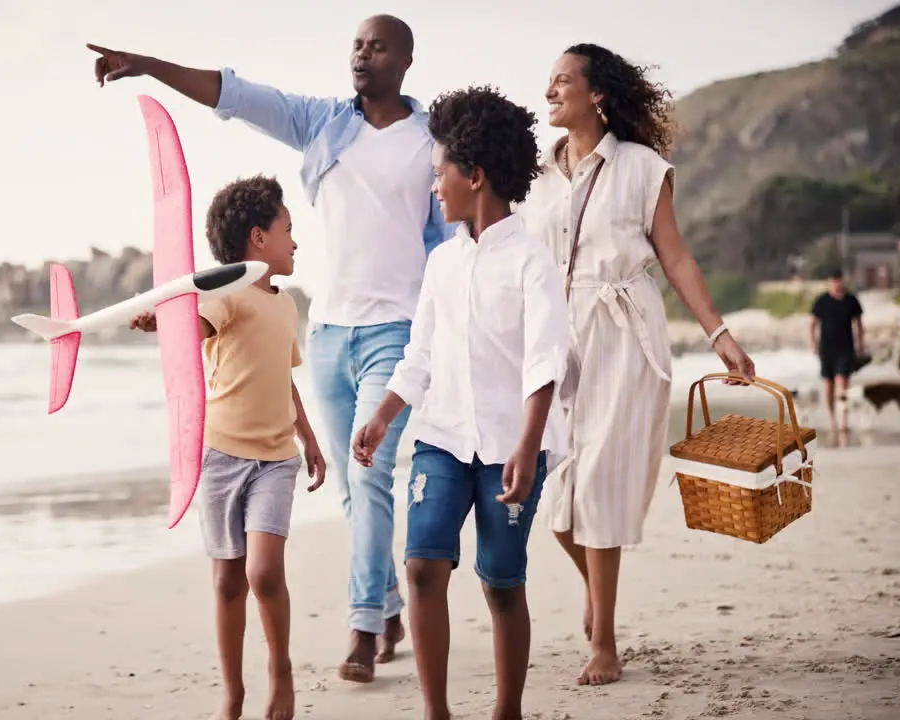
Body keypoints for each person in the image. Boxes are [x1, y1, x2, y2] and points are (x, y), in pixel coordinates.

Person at [89, 13, 454, 681]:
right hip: (327, 335)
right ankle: (390, 603)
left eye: (376, 46)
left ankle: (363, 625)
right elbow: (236, 94)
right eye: (356, 44)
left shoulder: (433, 141)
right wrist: (146, 63)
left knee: (371, 475)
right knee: (354, 489)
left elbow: (459, 236)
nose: (360, 55)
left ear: (404, 61)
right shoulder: (324, 124)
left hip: (395, 334)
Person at [516, 43, 756, 686]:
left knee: (599, 483)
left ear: (596, 94)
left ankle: (606, 641)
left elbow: (674, 257)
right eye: (549, 81)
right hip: (556, 337)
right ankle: (596, 592)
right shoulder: (536, 176)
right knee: (556, 491)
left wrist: (719, 333)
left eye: (563, 80)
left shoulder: (642, 167)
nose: (550, 90)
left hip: (623, 330)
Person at [352, 85, 568, 720]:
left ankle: (507, 711)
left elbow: (545, 359)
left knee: (501, 581)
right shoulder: (442, 264)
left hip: (511, 447)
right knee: (421, 566)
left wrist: (528, 448)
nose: (433, 187)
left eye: (439, 173)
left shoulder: (531, 262)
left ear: (475, 176)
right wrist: (384, 415)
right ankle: (436, 712)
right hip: (441, 439)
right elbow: (419, 354)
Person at [129, 175, 326, 720]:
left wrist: (307, 437)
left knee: (264, 573)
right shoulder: (226, 295)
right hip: (219, 457)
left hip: (275, 460)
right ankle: (233, 692)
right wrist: (161, 325)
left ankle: (280, 670)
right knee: (227, 580)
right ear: (258, 238)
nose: (295, 242)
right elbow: (192, 326)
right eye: (288, 230)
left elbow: (281, 378)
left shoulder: (285, 306)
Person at [809, 270, 865, 431]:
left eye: (839, 281)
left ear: (843, 281)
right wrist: (813, 344)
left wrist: (861, 345)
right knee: (828, 383)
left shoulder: (851, 301)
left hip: (846, 348)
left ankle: (844, 420)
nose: (836, 284)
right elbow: (812, 324)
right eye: (833, 281)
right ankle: (832, 417)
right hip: (826, 348)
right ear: (829, 282)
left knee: (842, 381)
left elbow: (859, 324)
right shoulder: (821, 301)